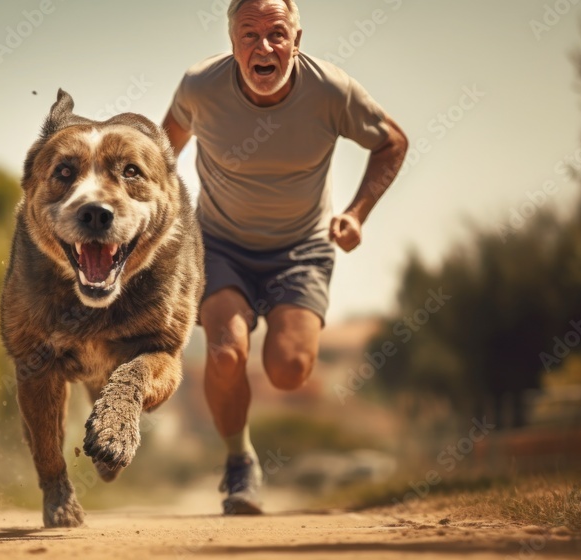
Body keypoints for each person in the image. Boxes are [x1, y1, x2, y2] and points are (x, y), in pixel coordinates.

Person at [162, 0, 408, 514]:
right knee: (227, 351)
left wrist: (358, 212)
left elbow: (392, 143)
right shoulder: (201, 87)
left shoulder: (331, 91)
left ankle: (248, 448)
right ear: (231, 43)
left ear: (298, 38)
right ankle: (239, 462)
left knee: (289, 371)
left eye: (277, 34)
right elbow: (164, 150)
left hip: (301, 250)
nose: (264, 47)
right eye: (248, 35)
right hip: (220, 243)